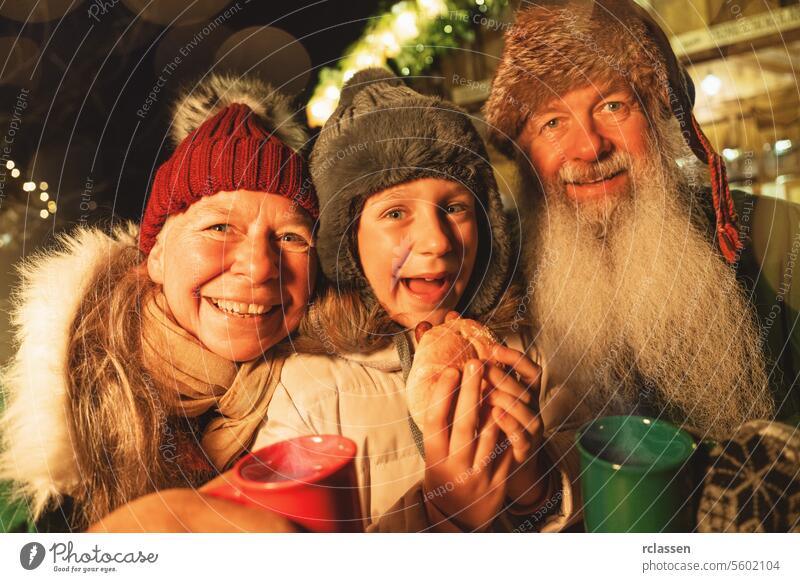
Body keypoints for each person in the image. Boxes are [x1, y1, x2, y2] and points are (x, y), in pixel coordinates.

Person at [254, 69, 588, 532]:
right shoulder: (310, 391)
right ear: (348, 242)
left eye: (454, 207)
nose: (437, 242)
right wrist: (442, 519)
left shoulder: (530, 348)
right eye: (395, 212)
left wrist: (540, 489)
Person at [0, 74, 319, 532]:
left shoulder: (342, 390)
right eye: (220, 228)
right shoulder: (36, 414)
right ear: (157, 255)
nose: (260, 266)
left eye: (291, 236)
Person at [482, 0, 799, 438]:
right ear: (523, 156)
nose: (590, 148)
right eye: (552, 122)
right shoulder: (498, 281)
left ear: (658, 115)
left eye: (612, 106)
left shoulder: (776, 236)